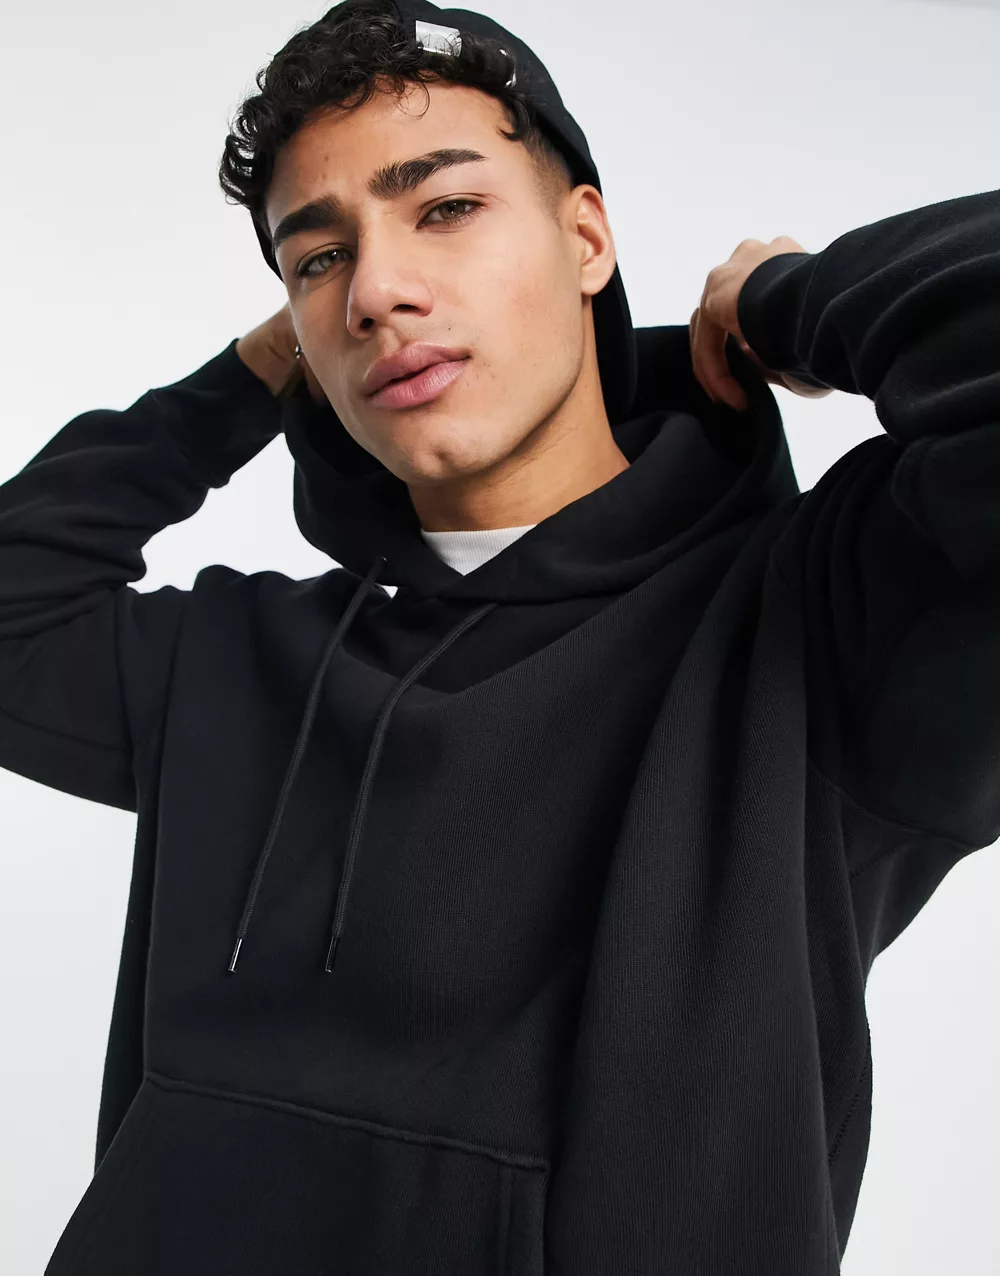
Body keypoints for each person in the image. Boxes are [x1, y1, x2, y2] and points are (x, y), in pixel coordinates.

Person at [1, 0, 997, 1271]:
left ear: (586, 238)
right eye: (319, 258)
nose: (378, 292)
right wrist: (243, 380)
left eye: (447, 207)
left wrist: (790, 301)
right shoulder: (239, 663)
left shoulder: (830, 628)